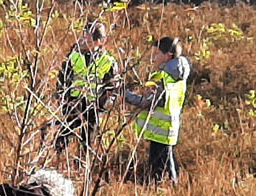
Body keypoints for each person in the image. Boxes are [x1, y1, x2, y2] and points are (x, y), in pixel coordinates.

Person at [125, 36, 190, 184]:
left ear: (168, 55)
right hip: (168, 129)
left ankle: (164, 195)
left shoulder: (163, 77)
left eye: (157, 53)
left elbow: (148, 102)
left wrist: (125, 95)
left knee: (159, 168)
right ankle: (171, 190)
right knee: (168, 162)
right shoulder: (177, 76)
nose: (154, 56)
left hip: (159, 131)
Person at [55, 22, 119, 156]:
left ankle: (83, 167)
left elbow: (112, 88)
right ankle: (57, 160)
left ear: (101, 41)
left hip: (94, 107)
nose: (88, 41)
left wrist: (102, 105)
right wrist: (64, 100)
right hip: (73, 103)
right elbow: (62, 80)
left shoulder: (108, 61)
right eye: (87, 37)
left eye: (93, 39)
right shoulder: (73, 56)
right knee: (62, 138)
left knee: (88, 144)